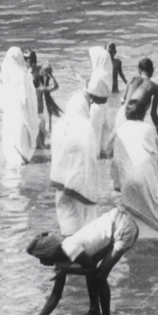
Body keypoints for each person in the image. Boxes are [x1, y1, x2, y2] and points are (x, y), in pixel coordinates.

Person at [26, 206, 139, 315]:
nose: (42, 263)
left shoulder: (70, 248)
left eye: (42, 258)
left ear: (51, 252)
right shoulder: (61, 261)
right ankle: (94, 311)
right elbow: (55, 295)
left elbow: (92, 270)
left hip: (123, 227)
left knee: (100, 277)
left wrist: (67, 270)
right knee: (90, 267)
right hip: (114, 224)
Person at [111, 90, 158, 237]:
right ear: (143, 114)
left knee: (131, 214)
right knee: (152, 214)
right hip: (145, 178)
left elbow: (115, 159)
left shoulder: (120, 130)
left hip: (126, 179)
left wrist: (117, 185)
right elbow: (153, 152)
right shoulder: (148, 128)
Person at [50, 89, 99, 233]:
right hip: (80, 185)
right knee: (86, 228)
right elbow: (90, 159)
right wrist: (93, 188)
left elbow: (56, 154)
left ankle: (67, 250)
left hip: (60, 183)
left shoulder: (59, 124)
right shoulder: (85, 126)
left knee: (67, 223)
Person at [0, 46, 40, 167]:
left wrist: (7, 109)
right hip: (21, 119)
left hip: (8, 118)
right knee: (21, 149)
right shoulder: (23, 76)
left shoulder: (3, 76)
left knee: (11, 146)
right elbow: (26, 100)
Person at [85, 45, 114, 158]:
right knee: (104, 136)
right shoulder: (106, 71)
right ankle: (103, 157)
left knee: (94, 136)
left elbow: (89, 94)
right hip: (105, 106)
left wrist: (84, 84)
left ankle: (95, 158)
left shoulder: (97, 76)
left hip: (96, 108)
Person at [29, 51, 61, 147]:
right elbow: (55, 86)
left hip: (35, 116)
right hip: (38, 116)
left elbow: (54, 86)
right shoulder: (40, 89)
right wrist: (51, 75)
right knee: (40, 143)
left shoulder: (36, 88)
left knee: (38, 143)